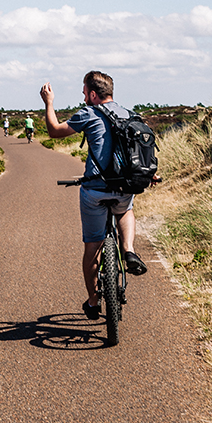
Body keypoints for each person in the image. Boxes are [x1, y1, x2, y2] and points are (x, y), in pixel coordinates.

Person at [39, 70, 148, 320]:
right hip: (124, 187)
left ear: (91, 93)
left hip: (95, 190)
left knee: (92, 246)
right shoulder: (130, 115)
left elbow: (55, 131)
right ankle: (128, 249)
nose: (83, 96)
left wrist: (49, 103)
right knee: (126, 209)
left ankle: (93, 300)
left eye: (83, 91)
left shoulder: (88, 113)